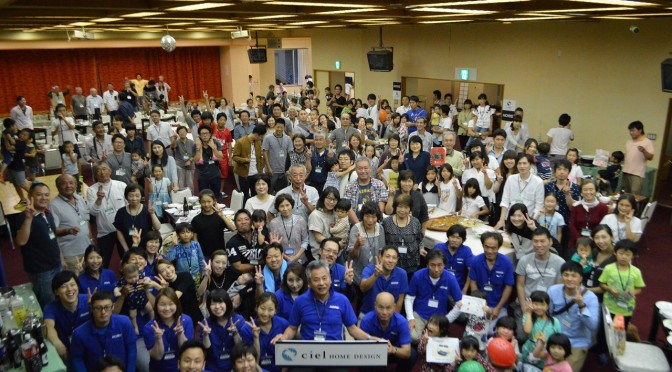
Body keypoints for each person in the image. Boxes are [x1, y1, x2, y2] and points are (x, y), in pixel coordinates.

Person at [271, 260, 372, 349]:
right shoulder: (300, 301)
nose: (321, 283)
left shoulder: (342, 300)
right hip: (307, 353)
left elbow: (353, 329)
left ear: (330, 280)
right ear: (309, 283)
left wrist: (370, 338)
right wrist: (284, 337)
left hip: (334, 354)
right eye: (316, 280)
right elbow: (292, 328)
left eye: (324, 278)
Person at [16, 183, 63, 307]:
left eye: (46, 195)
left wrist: (61, 259)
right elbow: (21, 241)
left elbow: (53, 237)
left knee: (60, 299)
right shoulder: (24, 217)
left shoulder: (47, 213)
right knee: (48, 304)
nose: (43, 198)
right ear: (30, 196)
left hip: (56, 265)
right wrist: (28, 218)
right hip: (41, 271)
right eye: (39, 195)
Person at [514, 228, 565, 341]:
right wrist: (524, 308)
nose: (538, 245)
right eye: (535, 241)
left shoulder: (560, 263)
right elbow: (520, 285)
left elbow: (558, 290)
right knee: (522, 336)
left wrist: (548, 310)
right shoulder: (524, 260)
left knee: (548, 337)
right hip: (527, 304)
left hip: (546, 307)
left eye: (542, 241)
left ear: (550, 242)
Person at [547, 261, 599, 371]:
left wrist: (581, 305)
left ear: (581, 278)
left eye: (574, 276)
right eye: (566, 275)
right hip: (555, 338)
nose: (569, 279)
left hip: (577, 341)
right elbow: (548, 315)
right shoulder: (553, 291)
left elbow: (593, 326)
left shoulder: (590, 298)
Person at [71, 291, 137, 372]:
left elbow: (131, 349)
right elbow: (77, 359)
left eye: (107, 307)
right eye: (98, 308)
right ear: (91, 308)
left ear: (113, 307)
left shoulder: (124, 322)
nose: (103, 312)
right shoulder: (79, 334)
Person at [405, 249, 463, 342]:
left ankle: (426, 341)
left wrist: (447, 320)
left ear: (444, 265)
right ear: (427, 265)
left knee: (442, 344)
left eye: (440, 265)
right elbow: (409, 298)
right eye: (433, 265)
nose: (436, 269)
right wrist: (410, 318)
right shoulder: (418, 275)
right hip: (420, 313)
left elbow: (460, 303)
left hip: (439, 317)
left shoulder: (450, 278)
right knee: (412, 337)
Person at [360, 292, 417, 372]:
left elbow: (407, 352)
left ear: (394, 307)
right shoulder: (366, 320)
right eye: (381, 307)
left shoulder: (402, 322)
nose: (384, 312)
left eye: (388, 308)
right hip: (374, 353)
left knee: (412, 354)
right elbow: (361, 349)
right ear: (375, 306)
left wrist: (393, 349)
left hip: (394, 352)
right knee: (362, 361)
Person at [469, 232, 515, 330]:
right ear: (482, 245)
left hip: (499, 306)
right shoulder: (476, 261)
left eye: (493, 248)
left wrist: (498, 308)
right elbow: (473, 283)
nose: (489, 251)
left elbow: (508, 287)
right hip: (481, 304)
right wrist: (479, 303)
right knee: (476, 329)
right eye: (486, 247)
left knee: (494, 331)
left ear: (499, 247)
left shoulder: (506, 263)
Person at [44, 271, 91, 363]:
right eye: (63, 286)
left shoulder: (88, 300)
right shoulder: (51, 307)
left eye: (73, 284)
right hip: (68, 351)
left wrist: (94, 309)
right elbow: (48, 326)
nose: (69, 289)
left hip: (89, 347)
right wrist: (57, 343)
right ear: (56, 292)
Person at [87, 162, 128, 268]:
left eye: (104, 169)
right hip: (104, 232)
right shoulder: (91, 190)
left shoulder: (121, 185)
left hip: (122, 230)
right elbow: (93, 212)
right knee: (102, 263)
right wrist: (99, 199)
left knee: (127, 259)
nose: (102, 172)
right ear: (95, 174)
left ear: (110, 171)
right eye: (98, 170)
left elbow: (129, 206)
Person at [142, 288, 194, 371]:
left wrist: (180, 334)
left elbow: (187, 351)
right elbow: (157, 356)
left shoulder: (186, 320)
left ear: (177, 304)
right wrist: (158, 339)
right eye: (162, 304)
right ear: (156, 306)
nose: (167, 308)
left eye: (171, 304)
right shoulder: (149, 327)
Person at [599, 239, 645, 328]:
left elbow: (639, 289)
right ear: (615, 253)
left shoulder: (636, 272)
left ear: (633, 256)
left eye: (627, 254)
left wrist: (633, 292)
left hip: (626, 308)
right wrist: (609, 289)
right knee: (604, 331)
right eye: (621, 253)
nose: (624, 257)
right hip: (609, 306)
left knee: (620, 333)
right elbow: (601, 283)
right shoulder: (609, 268)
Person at [49, 174, 90, 274]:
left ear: (76, 185)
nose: (68, 186)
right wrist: (67, 231)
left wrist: (91, 241)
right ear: (58, 187)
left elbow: (85, 221)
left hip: (87, 251)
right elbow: (53, 231)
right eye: (64, 183)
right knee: (75, 286)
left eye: (71, 183)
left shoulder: (80, 199)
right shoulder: (53, 205)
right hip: (71, 255)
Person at [495, 153, 545, 230]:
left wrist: (532, 222)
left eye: (524, 163)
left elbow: (538, 206)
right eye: (519, 163)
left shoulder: (538, 182)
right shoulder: (511, 179)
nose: (522, 166)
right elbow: (505, 201)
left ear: (530, 165)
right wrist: (502, 220)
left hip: (527, 222)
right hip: (511, 219)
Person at [382, 193, 425, 280]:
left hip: (411, 264)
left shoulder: (415, 222)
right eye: (400, 207)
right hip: (392, 264)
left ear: (410, 209)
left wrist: (421, 248)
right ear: (395, 207)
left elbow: (420, 239)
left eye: (406, 207)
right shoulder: (386, 222)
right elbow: (383, 242)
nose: (402, 210)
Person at [519, 291, 562, 369]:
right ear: (530, 303)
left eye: (542, 304)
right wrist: (528, 313)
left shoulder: (555, 322)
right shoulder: (528, 316)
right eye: (535, 304)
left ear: (548, 306)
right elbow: (527, 330)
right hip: (529, 351)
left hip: (545, 355)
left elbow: (558, 341)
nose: (539, 307)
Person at [247, 292, 289, 371]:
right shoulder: (247, 328)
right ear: (256, 307)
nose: (265, 314)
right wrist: (256, 337)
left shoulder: (283, 324)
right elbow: (253, 361)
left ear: (275, 310)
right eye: (262, 308)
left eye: (270, 310)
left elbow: (290, 354)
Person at [113, 184, 161, 252]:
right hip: (127, 246)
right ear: (126, 197)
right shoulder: (121, 212)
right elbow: (119, 231)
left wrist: (152, 213)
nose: (134, 199)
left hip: (147, 247)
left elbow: (157, 227)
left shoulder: (148, 209)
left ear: (141, 196)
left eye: (137, 195)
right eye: (131, 196)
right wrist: (126, 249)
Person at [268, 195, 309, 265]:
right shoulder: (273, 223)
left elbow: (305, 241)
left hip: (300, 260)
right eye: (281, 206)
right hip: (281, 260)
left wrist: (295, 257)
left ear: (292, 205)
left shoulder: (300, 220)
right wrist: (286, 257)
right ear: (278, 208)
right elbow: (274, 244)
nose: (285, 208)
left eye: (287, 205)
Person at [114, 263, 154, 335]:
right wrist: (117, 292)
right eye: (130, 278)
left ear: (138, 273)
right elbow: (117, 287)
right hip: (132, 301)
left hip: (142, 298)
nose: (133, 279)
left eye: (135, 276)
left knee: (150, 309)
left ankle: (153, 320)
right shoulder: (123, 281)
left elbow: (147, 278)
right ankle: (135, 327)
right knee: (133, 316)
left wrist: (147, 281)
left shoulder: (141, 276)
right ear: (124, 277)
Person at [568, 179, 609, 249]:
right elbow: (572, 225)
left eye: (591, 189)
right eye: (585, 190)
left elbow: (603, 227)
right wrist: (579, 239)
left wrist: (594, 238)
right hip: (576, 242)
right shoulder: (576, 206)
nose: (588, 192)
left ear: (596, 191)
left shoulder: (603, 208)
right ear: (581, 192)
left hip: (595, 242)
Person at [433, 224, 474, 293]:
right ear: (448, 237)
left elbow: (471, 271)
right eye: (452, 237)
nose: (454, 240)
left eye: (458, 238)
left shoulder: (466, 251)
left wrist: (465, 290)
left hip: (458, 288)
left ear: (463, 240)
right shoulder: (439, 247)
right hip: (439, 286)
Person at [234, 125, 267, 201]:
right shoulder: (241, 142)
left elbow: (259, 158)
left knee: (256, 195)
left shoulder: (258, 142)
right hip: (244, 174)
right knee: (245, 196)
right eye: (261, 137)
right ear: (256, 135)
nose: (261, 139)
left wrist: (261, 172)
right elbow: (235, 157)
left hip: (256, 173)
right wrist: (244, 160)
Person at [622, 120, 654, 195]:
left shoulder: (647, 142)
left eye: (633, 130)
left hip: (637, 174)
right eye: (630, 131)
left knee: (634, 196)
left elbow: (650, 157)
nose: (631, 133)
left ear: (640, 130)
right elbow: (625, 155)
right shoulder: (629, 141)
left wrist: (644, 151)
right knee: (625, 194)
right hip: (626, 172)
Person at [262, 119, 292, 193]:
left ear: (284, 127)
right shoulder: (267, 137)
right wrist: (268, 168)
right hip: (272, 171)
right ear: (275, 126)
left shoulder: (288, 139)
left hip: (284, 171)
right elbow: (265, 152)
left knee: (281, 192)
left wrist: (289, 169)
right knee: (269, 191)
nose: (279, 129)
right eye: (278, 127)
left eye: (281, 127)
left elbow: (291, 154)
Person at [172, 126, 195, 191]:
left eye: (184, 131)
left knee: (190, 183)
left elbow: (195, 153)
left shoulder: (191, 142)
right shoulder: (177, 142)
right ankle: (181, 199)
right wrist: (174, 139)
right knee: (180, 183)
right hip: (179, 165)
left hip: (190, 165)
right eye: (180, 132)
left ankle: (191, 198)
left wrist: (190, 161)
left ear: (187, 132)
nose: (182, 133)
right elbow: (172, 147)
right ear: (178, 133)